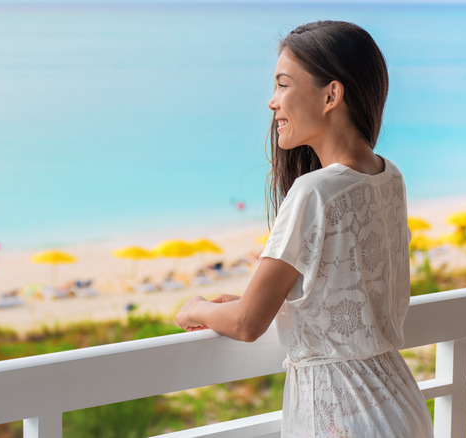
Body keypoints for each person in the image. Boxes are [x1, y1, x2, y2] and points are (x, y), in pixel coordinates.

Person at [175, 21, 433, 437]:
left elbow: (245, 324)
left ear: (331, 95)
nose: (272, 102)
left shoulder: (315, 191)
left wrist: (197, 307)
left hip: (341, 415)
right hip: (398, 403)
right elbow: (348, 289)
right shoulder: (390, 176)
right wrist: (266, 295)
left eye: (282, 85)